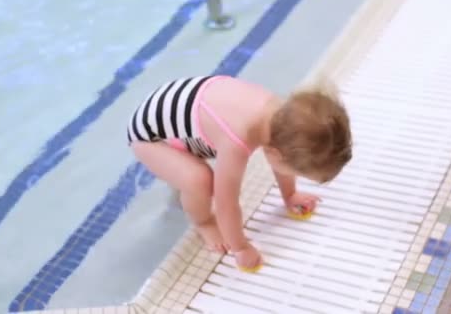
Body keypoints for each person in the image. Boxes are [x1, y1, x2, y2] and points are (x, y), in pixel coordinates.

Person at [127, 75, 352, 271]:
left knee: (203, 170)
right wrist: (240, 247)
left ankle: (185, 167)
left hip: (180, 114)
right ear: (275, 154)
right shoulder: (238, 139)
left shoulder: (282, 116)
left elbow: (282, 157)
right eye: (297, 173)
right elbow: (227, 203)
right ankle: (203, 222)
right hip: (150, 137)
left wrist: (289, 195)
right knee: (200, 180)